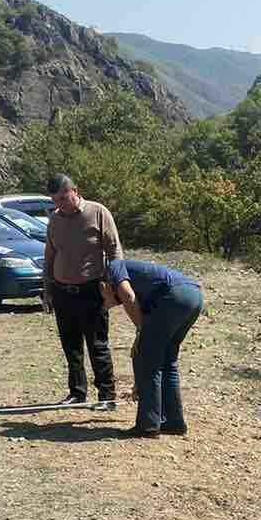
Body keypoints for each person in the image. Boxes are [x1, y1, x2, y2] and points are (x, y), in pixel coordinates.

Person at [41, 173, 121, 409]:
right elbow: (49, 256)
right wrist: (47, 289)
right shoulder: (55, 220)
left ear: (74, 191)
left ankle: (107, 396)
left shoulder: (97, 212)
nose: (59, 205)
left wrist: (116, 286)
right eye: (55, 201)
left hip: (91, 291)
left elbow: (115, 251)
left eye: (63, 198)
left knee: (97, 345)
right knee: (71, 345)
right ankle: (77, 392)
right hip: (62, 292)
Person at [101, 258, 204, 438]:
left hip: (174, 296)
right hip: (194, 296)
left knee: (149, 362)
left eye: (103, 300)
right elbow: (144, 324)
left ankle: (148, 425)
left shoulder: (114, 268)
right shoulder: (143, 287)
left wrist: (141, 332)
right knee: (167, 360)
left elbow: (128, 296)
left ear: (103, 285)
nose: (107, 305)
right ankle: (173, 422)